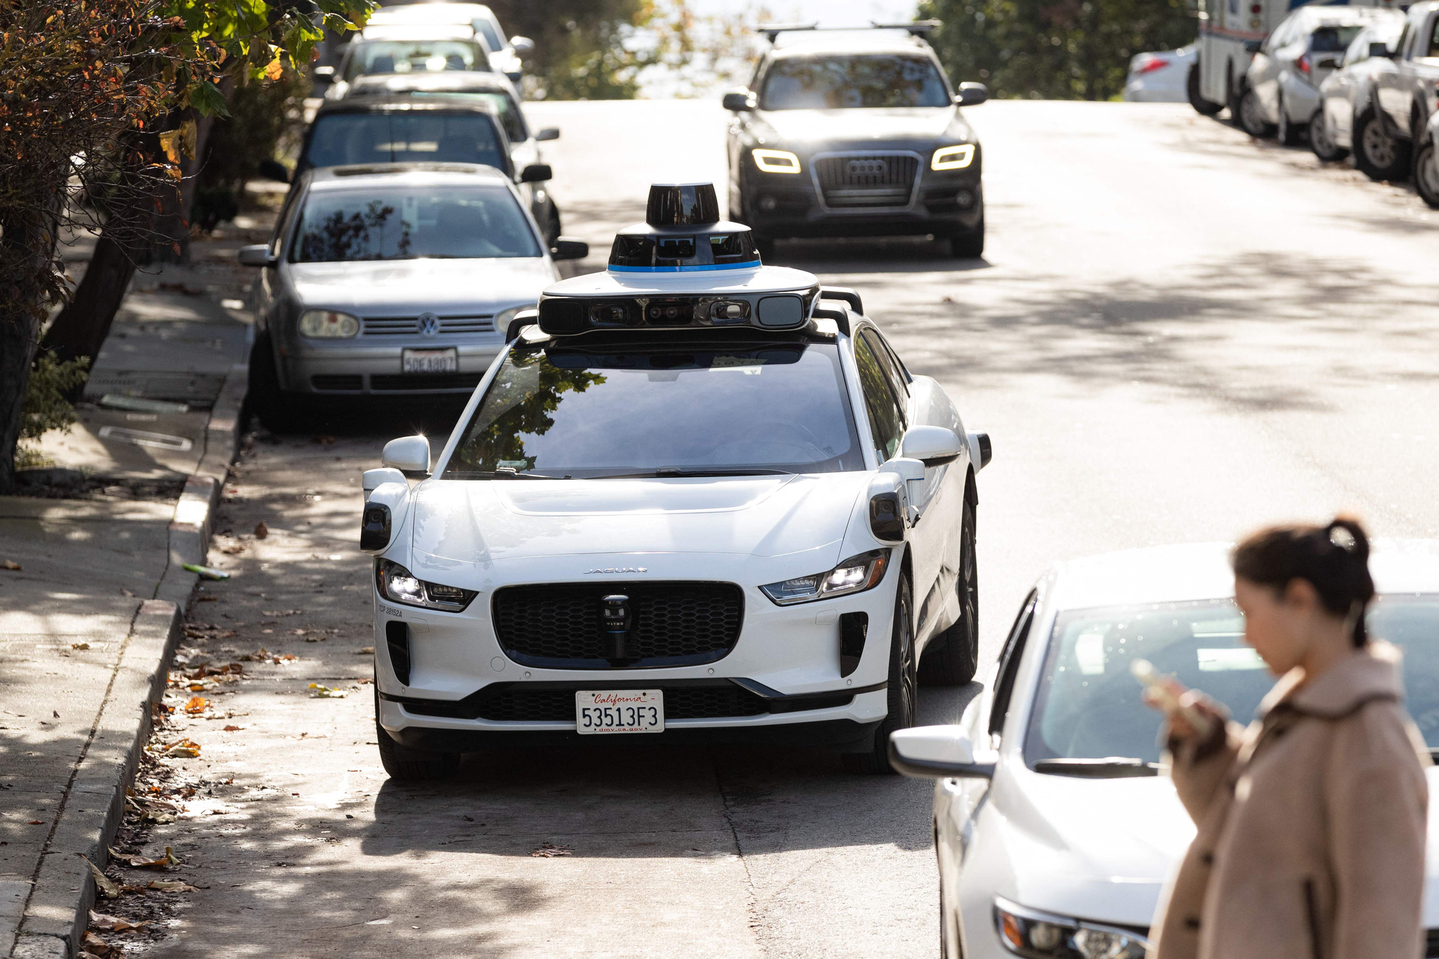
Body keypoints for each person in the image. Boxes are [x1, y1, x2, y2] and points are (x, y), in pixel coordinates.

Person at [1146, 516, 1430, 959]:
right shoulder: (1311, 710)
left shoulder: (1368, 740)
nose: (1245, 635)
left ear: (1299, 599)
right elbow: (1244, 835)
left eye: (1249, 612)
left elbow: (1381, 934)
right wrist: (1208, 743)